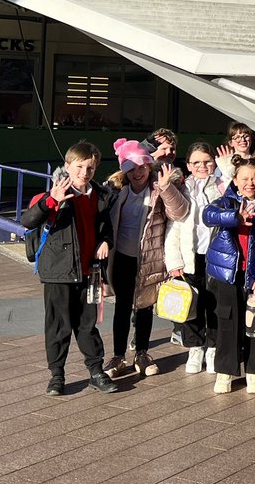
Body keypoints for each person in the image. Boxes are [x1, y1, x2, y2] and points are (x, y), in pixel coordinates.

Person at [22, 141, 118, 397]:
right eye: (79, 167)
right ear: (67, 166)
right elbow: (27, 221)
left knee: (88, 325)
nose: (84, 173)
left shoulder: (100, 195)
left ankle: (96, 372)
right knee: (58, 326)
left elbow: (106, 227)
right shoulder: (53, 193)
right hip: (58, 272)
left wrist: (106, 240)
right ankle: (57, 376)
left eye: (90, 168)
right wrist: (50, 201)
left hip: (89, 271)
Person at [105, 139, 189, 379]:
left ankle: (142, 353)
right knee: (122, 307)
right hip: (122, 257)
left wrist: (166, 188)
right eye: (131, 168)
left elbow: (180, 212)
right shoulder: (116, 190)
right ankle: (118, 356)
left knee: (144, 306)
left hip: (149, 258)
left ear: (149, 165)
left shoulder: (158, 188)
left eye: (142, 166)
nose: (137, 172)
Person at [203, 158, 255, 393]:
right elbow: (208, 215)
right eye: (244, 178)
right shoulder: (225, 202)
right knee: (228, 321)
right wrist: (236, 217)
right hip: (229, 274)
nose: (250, 183)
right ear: (235, 180)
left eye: (254, 178)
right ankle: (225, 371)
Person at [164, 142, 226, 375]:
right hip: (190, 257)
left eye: (207, 161)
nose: (202, 166)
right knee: (191, 303)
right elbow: (173, 227)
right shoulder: (181, 188)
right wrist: (174, 261)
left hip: (216, 255)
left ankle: (213, 347)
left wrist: (228, 168)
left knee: (215, 304)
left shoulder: (221, 185)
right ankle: (195, 347)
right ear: (188, 165)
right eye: (196, 162)